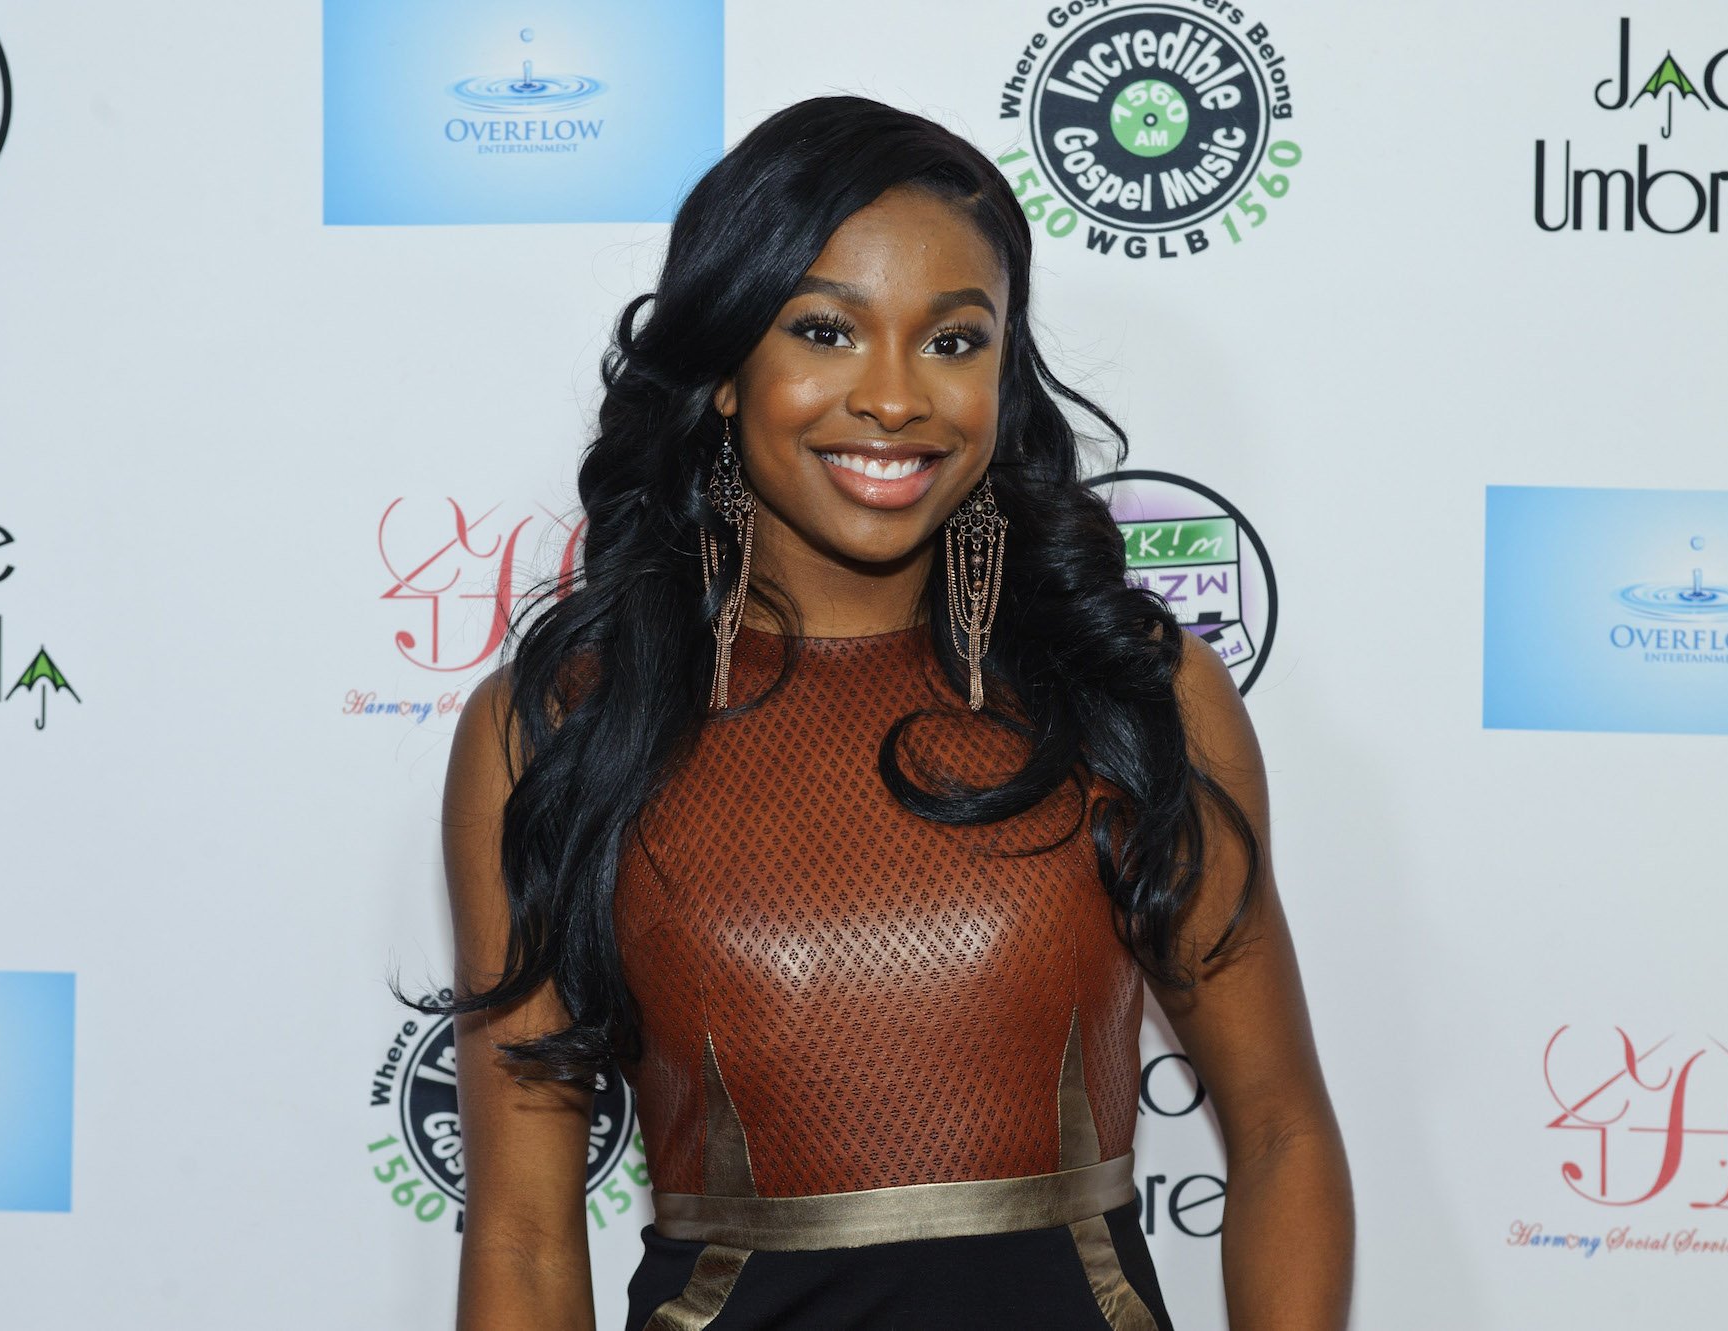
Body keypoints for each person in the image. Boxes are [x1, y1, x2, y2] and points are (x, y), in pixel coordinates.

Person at [413, 94, 1354, 1330]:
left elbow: (1282, 1129)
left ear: (1003, 373)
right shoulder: (558, 727)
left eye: (953, 341)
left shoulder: (1134, 692)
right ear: (726, 373)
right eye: (825, 330)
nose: (896, 398)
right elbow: (528, 1238)